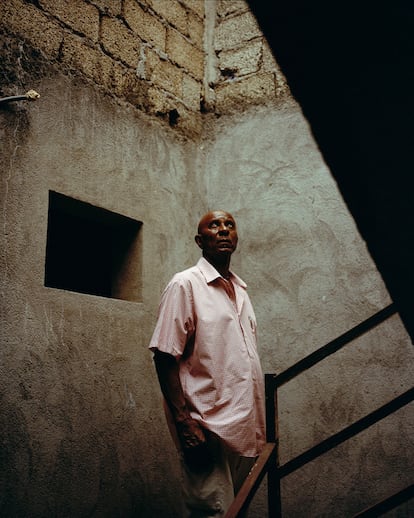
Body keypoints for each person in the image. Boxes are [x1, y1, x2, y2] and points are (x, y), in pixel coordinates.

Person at [149, 210, 266, 517]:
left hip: (243, 431)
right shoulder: (185, 284)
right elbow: (164, 356)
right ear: (200, 240)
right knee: (211, 512)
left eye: (230, 225)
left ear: (237, 238)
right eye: (214, 225)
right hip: (205, 429)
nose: (224, 230)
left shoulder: (240, 291)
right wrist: (184, 424)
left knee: (234, 511)